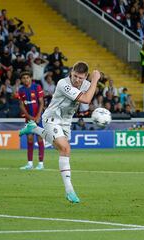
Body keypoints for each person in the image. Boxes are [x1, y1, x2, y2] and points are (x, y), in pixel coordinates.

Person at [19, 61, 101, 203]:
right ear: (71, 72)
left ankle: (34, 128)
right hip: (52, 117)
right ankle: (69, 191)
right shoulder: (63, 83)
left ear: (85, 77)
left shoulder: (86, 84)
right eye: (75, 76)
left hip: (66, 122)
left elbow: (91, 94)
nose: (77, 80)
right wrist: (95, 80)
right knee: (65, 148)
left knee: (59, 147)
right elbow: (86, 99)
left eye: (81, 78)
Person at [17, 71, 45, 170]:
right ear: (21, 80)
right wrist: (29, 117)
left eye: (27, 77)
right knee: (29, 139)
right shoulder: (21, 90)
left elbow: (41, 102)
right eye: (23, 78)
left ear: (30, 78)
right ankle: (30, 163)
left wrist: (38, 116)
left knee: (40, 138)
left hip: (38, 118)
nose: (25, 79)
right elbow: (21, 105)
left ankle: (41, 164)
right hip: (28, 119)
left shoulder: (37, 87)